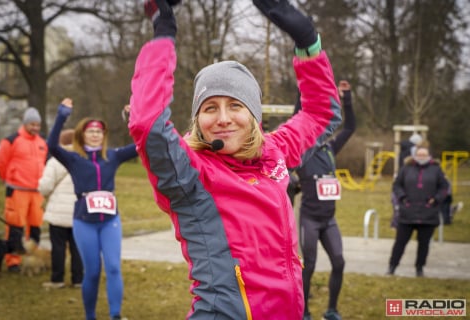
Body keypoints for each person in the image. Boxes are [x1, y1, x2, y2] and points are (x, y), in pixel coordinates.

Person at [129, 0, 342, 318]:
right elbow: (147, 123)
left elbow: (323, 113)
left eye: (235, 105)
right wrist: (164, 32)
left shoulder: (275, 151)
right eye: (210, 108)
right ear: (198, 119)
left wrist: (307, 41)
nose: (223, 118)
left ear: (254, 115)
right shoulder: (190, 174)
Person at [47, 98, 138, 320]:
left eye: (99, 131)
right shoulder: (74, 158)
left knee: (114, 267)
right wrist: (61, 115)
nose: (96, 134)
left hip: (110, 222)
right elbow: (50, 146)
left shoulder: (113, 156)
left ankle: (115, 315)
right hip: (84, 221)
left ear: (104, 135)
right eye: (91, 131)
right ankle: (90, 316)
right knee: (93, 271)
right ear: (82, 134)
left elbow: (141, 144)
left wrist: (133, 118)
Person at [296, 80, 356, 320]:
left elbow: (350, 127)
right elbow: (295, 115)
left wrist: (347, 98)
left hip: (329, 220)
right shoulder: (302, 151)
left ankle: (331, 310)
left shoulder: (330, 149)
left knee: (339, 263)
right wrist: (302, 89)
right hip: (309, 219)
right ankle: (304, 312)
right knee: (308, 267)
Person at [0, 107, 48, 272]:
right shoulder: (11, 141)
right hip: (17, 190)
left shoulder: (42, 143)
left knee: (35, 226)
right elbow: (0, 163)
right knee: (15, 226)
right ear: (25, 123)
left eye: (38, 125)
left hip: (37, 192)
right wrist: (10, 179)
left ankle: (32, 258)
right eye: (32, 124)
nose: (36, 128)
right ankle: (13, 260)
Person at [387, 144, 449, 277]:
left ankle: (419, 268)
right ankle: (392, 267)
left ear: (429, 156)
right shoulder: (406, 168)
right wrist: (402, 198)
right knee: (400, 243)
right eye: (419, 155)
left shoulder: (436, 169)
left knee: (424, 245)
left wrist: (436, 199)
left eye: (424, 155)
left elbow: (444, 187)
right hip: (407, 212)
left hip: (428, 213)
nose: (421, 157)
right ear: (414, 155)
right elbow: (397, 185)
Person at [39, 129, 83, 289]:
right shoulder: (83, 160)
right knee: (77, 248)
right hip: (78, 212)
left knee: (58, 248)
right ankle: (78, 279)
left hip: (57, 213)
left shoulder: (55, 161)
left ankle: (57, 279)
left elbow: (45, 186)